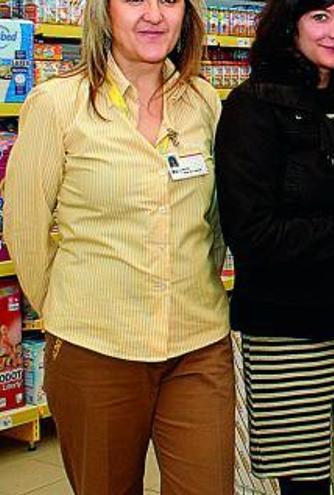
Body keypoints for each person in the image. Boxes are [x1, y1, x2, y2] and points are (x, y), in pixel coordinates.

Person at [3, 0, 233, 492]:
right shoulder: (57, 104)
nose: (154, 14)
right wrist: (70, 309)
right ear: (103, 11)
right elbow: (24, 226)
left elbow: (212, 223)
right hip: (96, 348)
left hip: (198, 345)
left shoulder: (203, 102)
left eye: (169, 0)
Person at [213, 0, 334, 491]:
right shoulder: (252, 109)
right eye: (320, 17)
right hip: (291, 335)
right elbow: (254, 236)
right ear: (289, 22)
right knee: (308, 482)